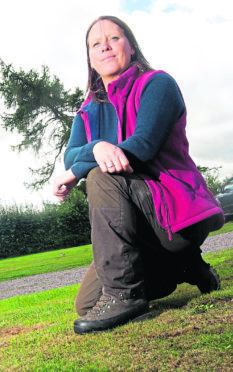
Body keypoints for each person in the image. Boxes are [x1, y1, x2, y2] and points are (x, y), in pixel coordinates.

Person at [52, 16, 224, 335]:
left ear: (130, 47)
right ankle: (185, 266)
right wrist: (96, 147)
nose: (104, 45)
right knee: (87, 305)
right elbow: (71, 153)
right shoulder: (88, 110)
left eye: (114, 38)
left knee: (102, 178)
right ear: (89, 58)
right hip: (137, 224)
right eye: (95, 43)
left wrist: (83, 165)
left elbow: (142, 146)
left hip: (175, 214)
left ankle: (126, 295)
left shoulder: (157, 84)